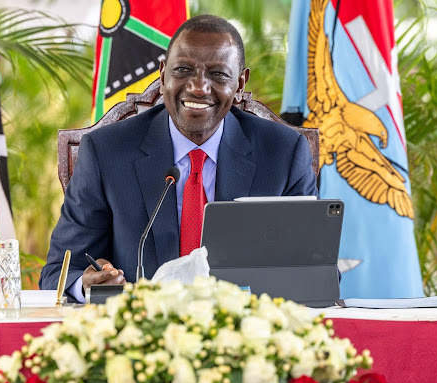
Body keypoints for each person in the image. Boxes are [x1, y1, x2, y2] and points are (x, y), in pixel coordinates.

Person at [40, 15, 318, 302]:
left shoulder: (283, 154)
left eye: (218, 74)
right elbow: (59, 274)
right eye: (183, 69)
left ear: (239, 84)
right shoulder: (107, 152)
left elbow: (317, 273)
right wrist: (87, 283)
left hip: (247, 333)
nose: (198, 87)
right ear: (162, 76)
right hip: (141, 334)